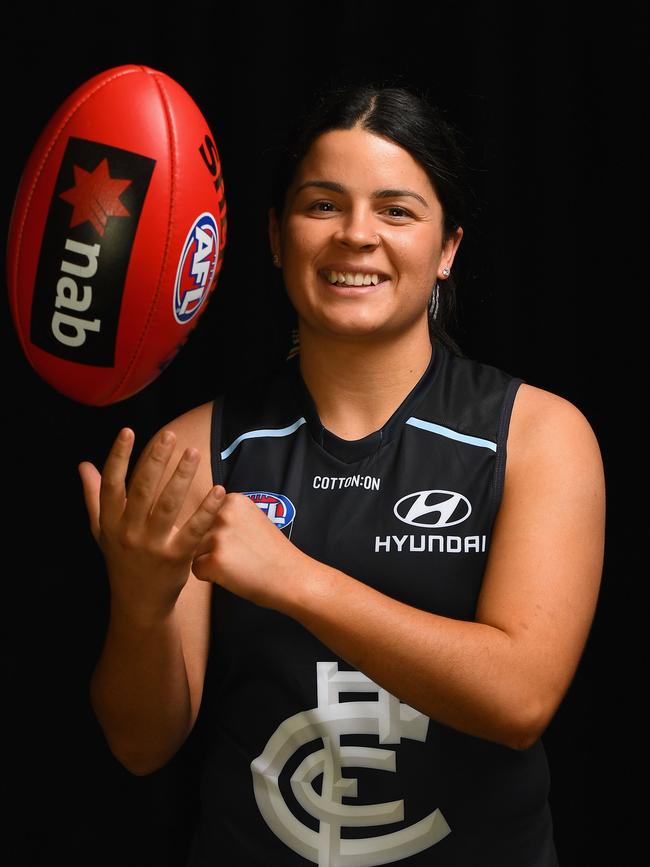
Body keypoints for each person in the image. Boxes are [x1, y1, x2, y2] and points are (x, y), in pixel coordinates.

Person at [78, 83, 605, 866]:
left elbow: (519, 699)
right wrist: (142, 603)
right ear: (275, 236)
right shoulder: (196, 447)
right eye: (322, 205)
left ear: (448, 248)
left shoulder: (536, 434)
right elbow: (140, 745)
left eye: (396, 210)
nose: (356, 235)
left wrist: (294, 578)